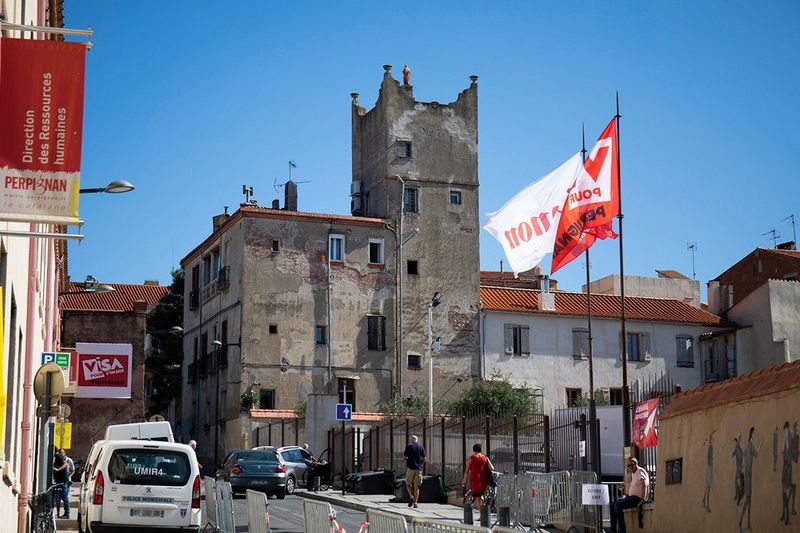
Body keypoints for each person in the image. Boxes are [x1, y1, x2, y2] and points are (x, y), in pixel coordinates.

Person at [609, 457, 649, 533]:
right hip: (631, 497)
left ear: (636, 464)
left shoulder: (640, 471)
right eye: (628, 466)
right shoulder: (633, 473)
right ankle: (613, 529)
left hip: (637, 498)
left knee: (618, 506)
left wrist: (643, 499)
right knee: (612, 505)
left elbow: (645, 485)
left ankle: (622, 530)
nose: (630, 467)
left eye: (632, 465)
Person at [461, 443, 494, 514]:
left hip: (475, 481)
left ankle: (482, 514)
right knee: (480, 495)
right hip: (484, 481)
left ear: (473, 450)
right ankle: (484, 511)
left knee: (477, 498)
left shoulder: (471, 458)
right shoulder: (485, 458)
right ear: (480, 450)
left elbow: (466, 471)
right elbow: (492, 468)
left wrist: (464, 480)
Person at [403, 435, 426, 508]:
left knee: (408, 484)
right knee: (417, 487)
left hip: (410, 468)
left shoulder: (409, 446)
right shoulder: (421, 447)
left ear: (412, 440)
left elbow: (405, 456)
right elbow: (425, 458)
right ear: (417, 440)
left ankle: (411, 497)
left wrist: (408, 459)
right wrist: (420, 464)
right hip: (418, 469)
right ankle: (415, 503)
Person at [52, 449, 71, 518]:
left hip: (63, 480)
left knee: (64, 496)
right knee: (58, 497)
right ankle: (60, 513)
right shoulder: (56, 456)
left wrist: (57, 469)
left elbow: (65, 464)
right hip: (59, 480)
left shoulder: (58, 456)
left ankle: (67, 513)